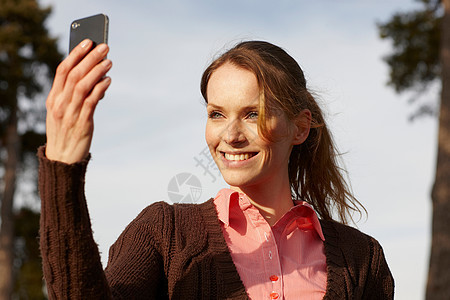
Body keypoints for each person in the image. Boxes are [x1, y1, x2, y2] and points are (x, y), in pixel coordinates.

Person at [38, 39, 394, 299]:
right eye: (216, 114)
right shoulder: (165, 234)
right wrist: (63, 167)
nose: (231, 136)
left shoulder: (363, 259)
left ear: (300, 127)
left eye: (253, 114)